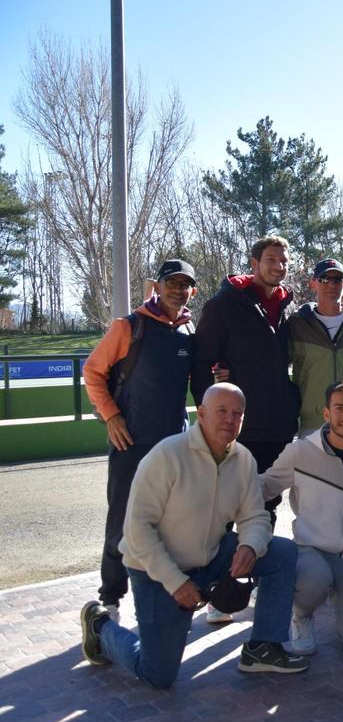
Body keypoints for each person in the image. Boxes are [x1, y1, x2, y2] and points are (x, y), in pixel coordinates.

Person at [80, 384, 308, 688]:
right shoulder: (167, 455)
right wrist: (175, 581)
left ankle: (263, 647)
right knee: (158, 675)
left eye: (237, 414)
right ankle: (100, 627)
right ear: (201, 414)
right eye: (221, 411)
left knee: (281, 553)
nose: (230, 419)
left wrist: (251, 546)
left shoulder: (244, 460)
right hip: (155, 569)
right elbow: (136, 530)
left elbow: (255, 516)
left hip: (210, 556)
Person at [82, 259, 198, 623]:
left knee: (171, 526)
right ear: (157, 287)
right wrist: (112, 416)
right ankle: (111, 600)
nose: (178, 290)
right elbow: (92, 371)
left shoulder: (189, 332)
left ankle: (167, 595)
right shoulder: (129, 327)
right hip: (130, 444)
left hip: (174, 447)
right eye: (172, 283)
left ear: (192, 291)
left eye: (185, 285)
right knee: (122, 523)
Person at [192, 235, 299, 622]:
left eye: (283, 261)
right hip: (235, 428)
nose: (278, 266)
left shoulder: (286, 307)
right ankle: (217, 594)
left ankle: (248, 583)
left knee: (265, 508)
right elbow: (201, 362)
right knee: (223, 510)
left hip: (276, 426)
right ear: (254, 263)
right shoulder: (224, 306)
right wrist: (209, 418)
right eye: (271, 259)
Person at [260, 379, 343, 654]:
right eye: (339, 408)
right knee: (314, 579)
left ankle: (342, 592)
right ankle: (302, 614)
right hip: (311, 552)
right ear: (326, 413)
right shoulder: (300, 452)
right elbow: (264, 487)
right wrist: (224, 484)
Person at [287, 258, 343, 438]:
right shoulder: (298, 325)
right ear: (313, 284)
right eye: (324, 279)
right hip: (313, 422)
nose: (331, 285)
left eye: (337, 280)